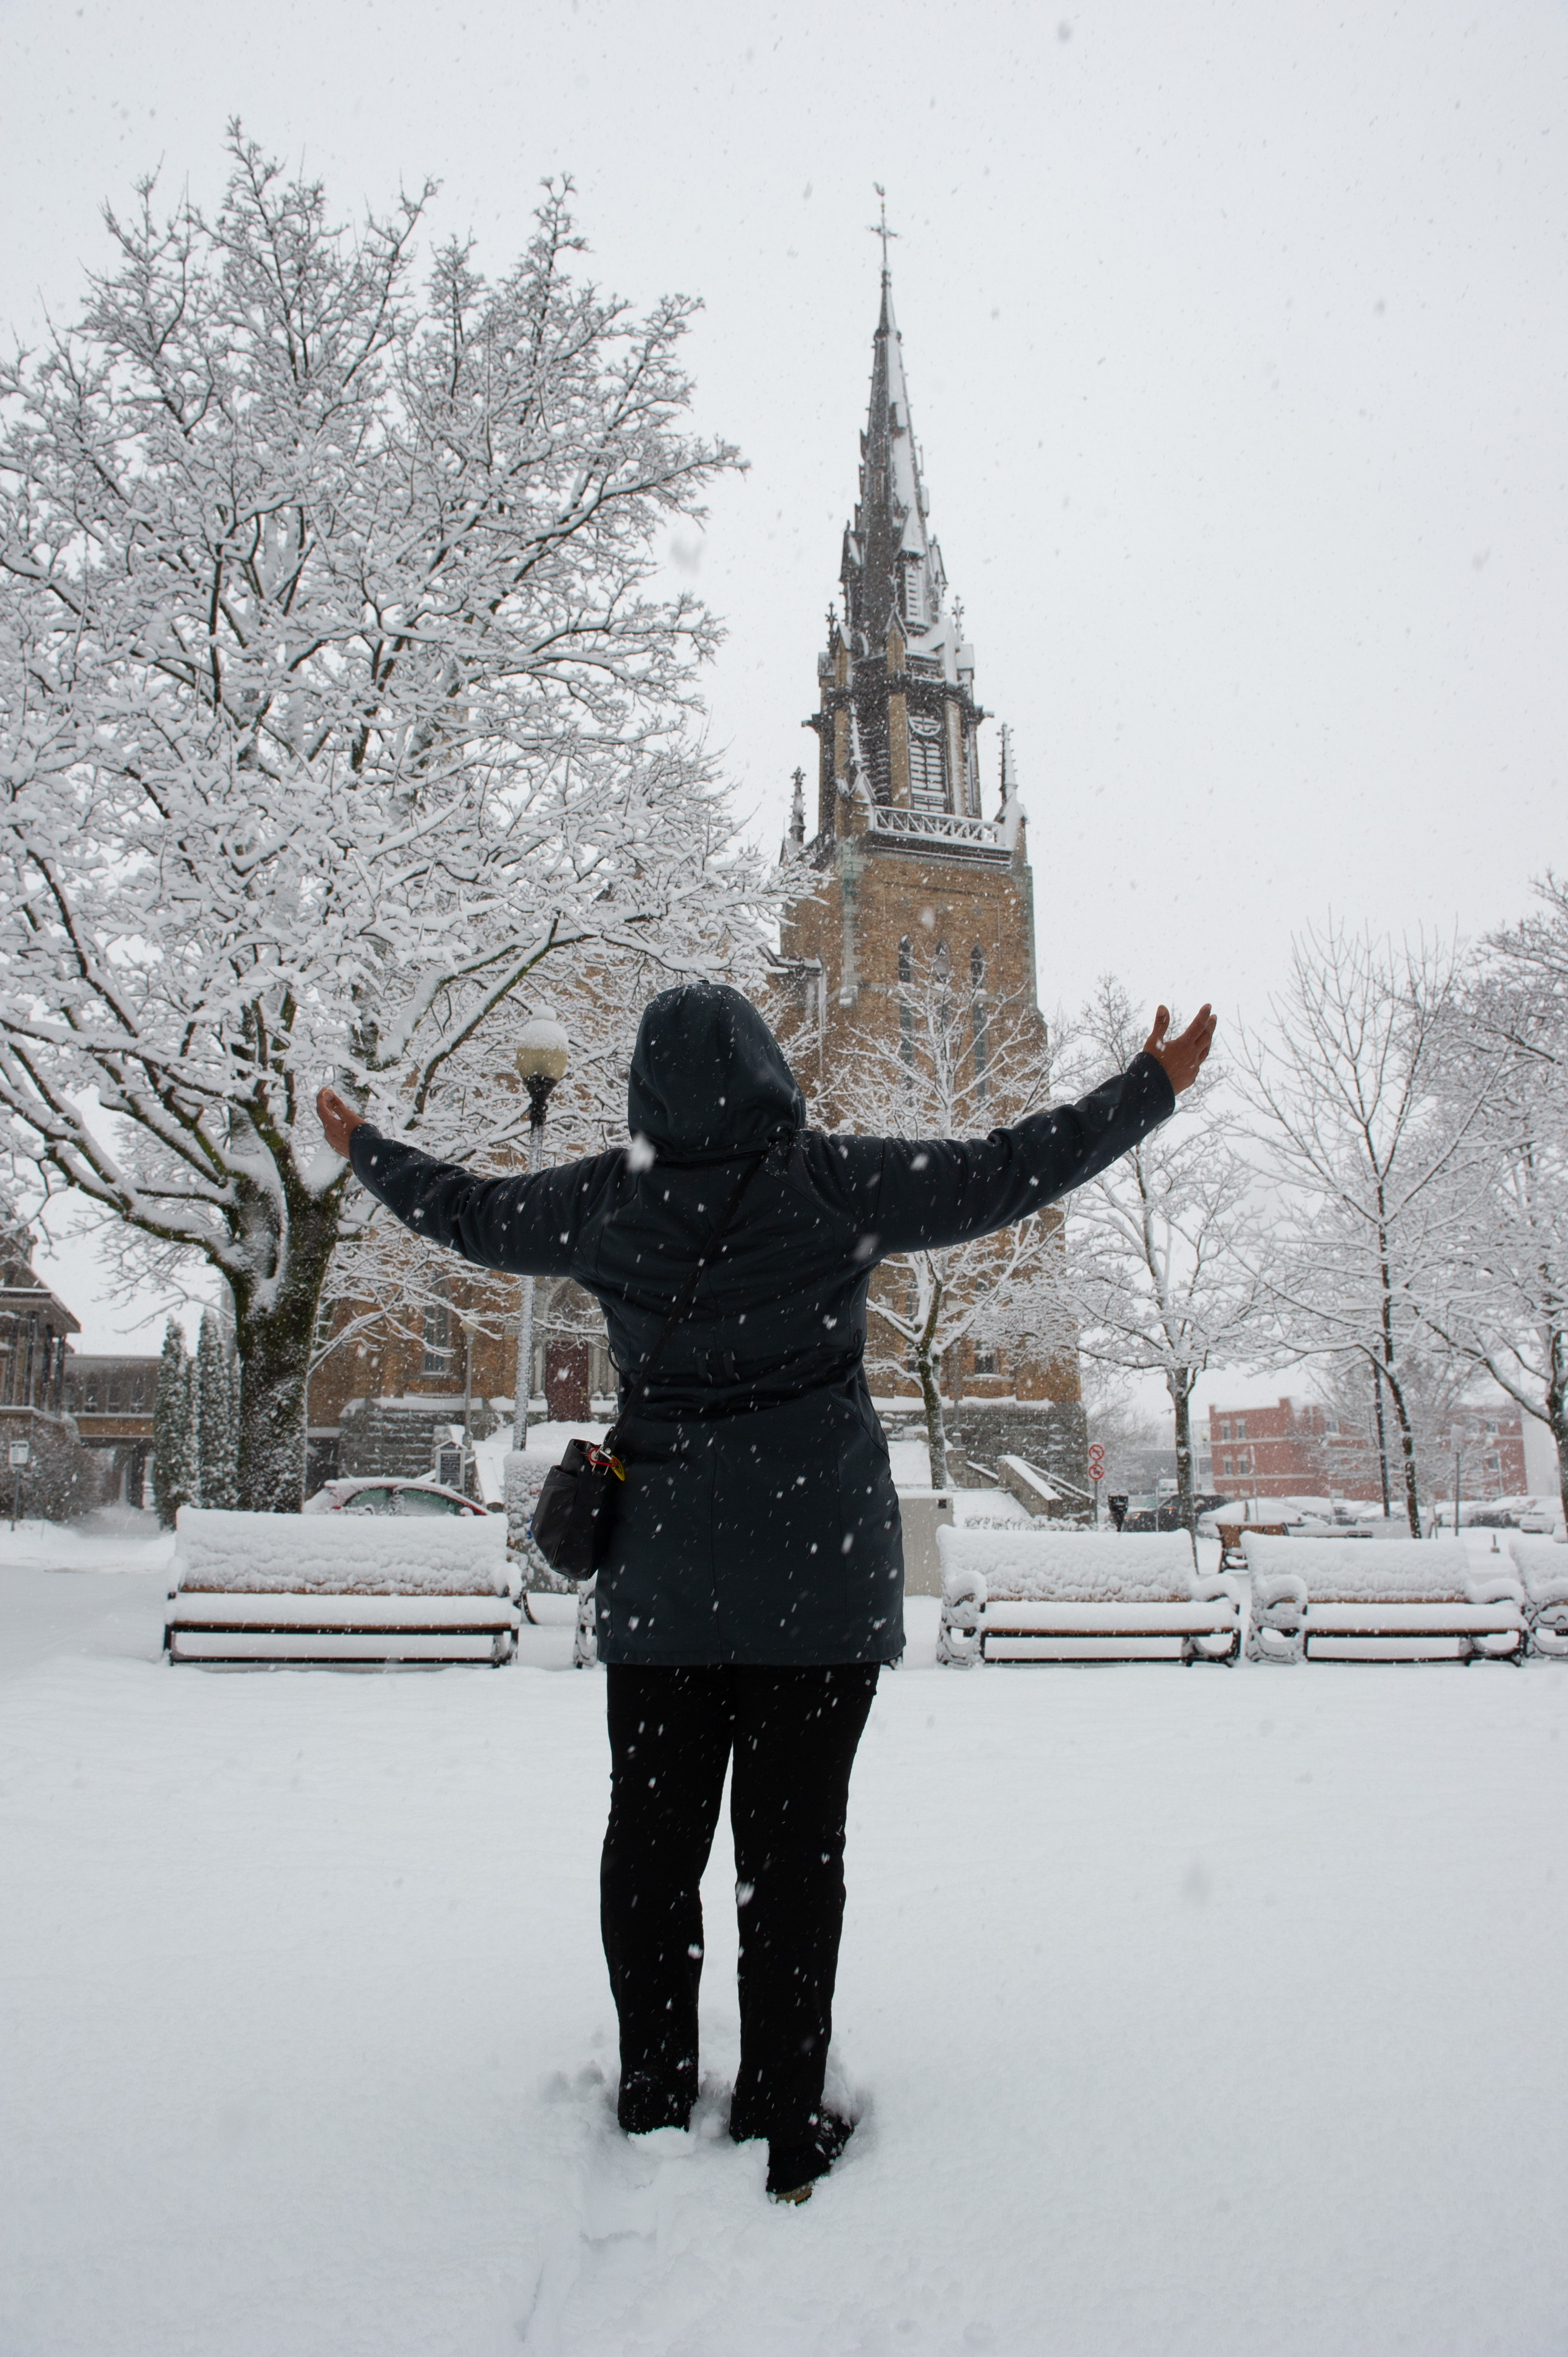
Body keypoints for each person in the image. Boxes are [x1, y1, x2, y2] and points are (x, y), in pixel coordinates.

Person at [317, 982, 1213, 2201]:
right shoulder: (831, 1181)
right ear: (767, 1068)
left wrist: (364, 1145)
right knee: (794, 1857)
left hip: (665, 1594)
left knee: (653, 1844)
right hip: (817, 1585)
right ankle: (785, 2112)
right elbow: (1009, 1170)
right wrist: (1148, 1087)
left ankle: (652, 2092)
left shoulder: (604, 1199)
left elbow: (470, 1214)